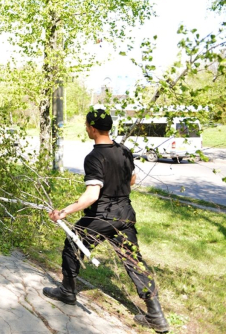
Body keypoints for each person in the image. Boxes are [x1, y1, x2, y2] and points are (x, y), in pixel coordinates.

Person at [42, 108, 169, 333]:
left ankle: (67, 292)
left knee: (72, 245)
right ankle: (156, 315)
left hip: (101, 216)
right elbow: (131, 180)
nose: (86, 128)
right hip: (125, 214)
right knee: (134, 260)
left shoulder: (94, 157)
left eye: (86, 125)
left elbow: (92, 195)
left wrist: (63, 212)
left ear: (92, 128)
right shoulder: (124, 151)